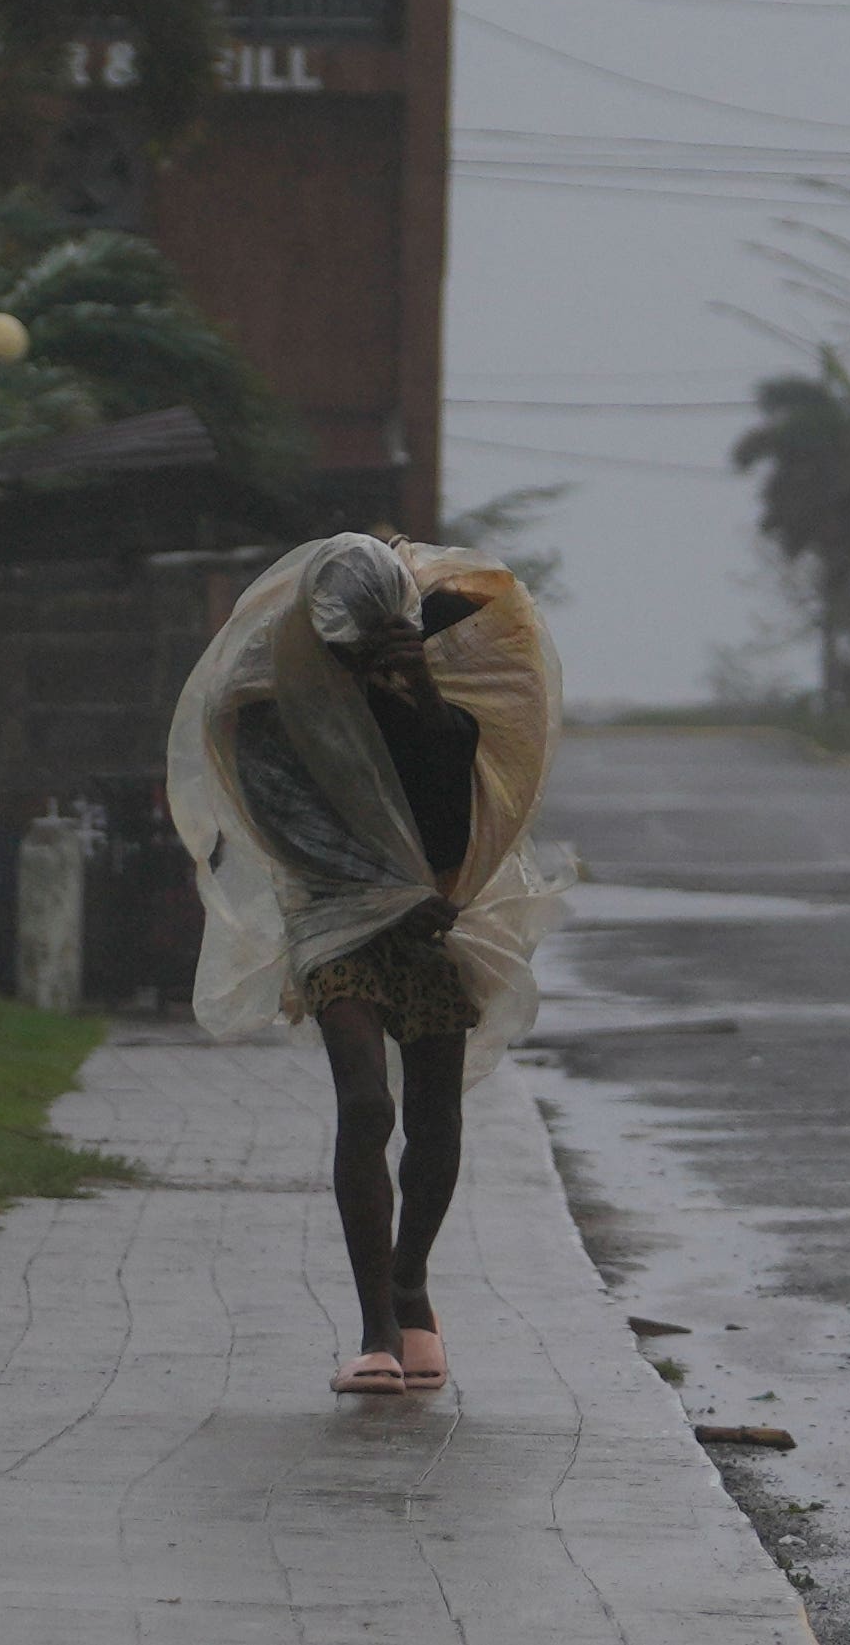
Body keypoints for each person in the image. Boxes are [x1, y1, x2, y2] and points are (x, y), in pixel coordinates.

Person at [171, 533, 570, 1396]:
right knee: (364, 1099)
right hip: (332, 917)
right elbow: (287, 831)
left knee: (434, 1112)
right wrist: (384, 895)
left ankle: (413, 1283)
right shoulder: (267, 707)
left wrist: (417, 695)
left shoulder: (430, 703)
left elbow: (447, 821)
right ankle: (375, 1327)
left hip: (430, 915)